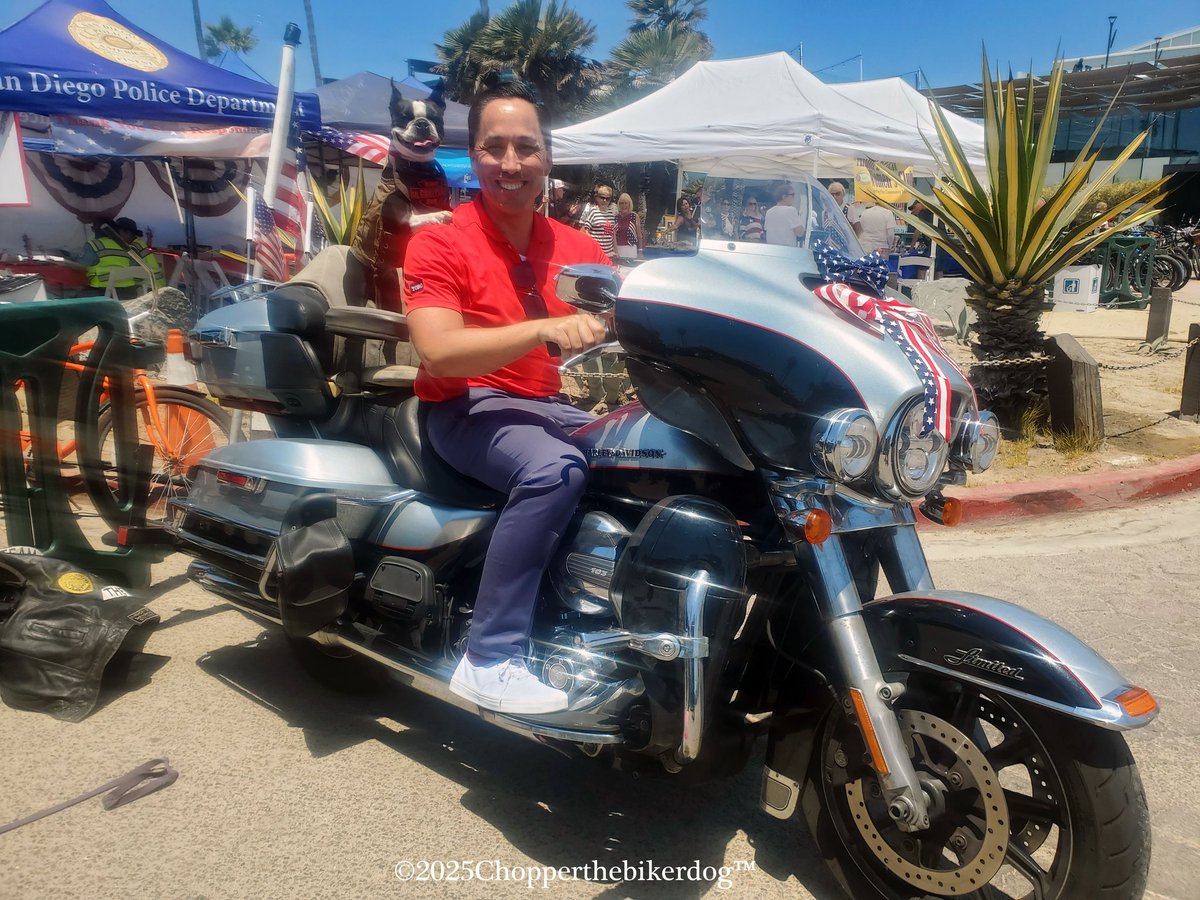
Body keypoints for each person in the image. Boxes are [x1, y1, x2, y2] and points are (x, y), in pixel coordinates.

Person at [402, 80, 611, 715]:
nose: (511, 162)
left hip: (555, 407)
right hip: (466, 406)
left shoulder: (580, 249)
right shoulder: (439, 241)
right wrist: (541, 330)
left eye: (526, 147)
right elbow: (439, 351)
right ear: (474, 156)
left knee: (662, 456)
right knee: (555, 469)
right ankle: (489, 658)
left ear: (548, 157)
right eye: (494, 147)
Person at [77, 217, 163, 300]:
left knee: (77, 295)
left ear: (128, 233)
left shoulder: (132, 247)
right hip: (132, 290)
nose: (117, 235)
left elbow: (81, 265)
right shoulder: (129, 246)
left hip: (150, 287)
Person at [578, 183, 618, 262]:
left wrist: (616, 251)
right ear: (598, 198)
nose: (604, 200)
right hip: (597, 254)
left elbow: (612, 234)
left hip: (609, 254)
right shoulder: (593, 211)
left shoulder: (611, 213)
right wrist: (594, 244)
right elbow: (586, 230)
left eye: (607, 198)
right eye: (602, 197)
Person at [763, 182, 805, 246]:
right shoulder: (791, 210)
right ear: (784, 197)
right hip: (787, 249)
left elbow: (767, 230)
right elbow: (799, 233)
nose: (794, 198)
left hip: (772, 249)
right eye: (792, 195)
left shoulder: (769, 212)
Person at [614, 192, 644, 261]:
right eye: (621, 203)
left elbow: (639, 235)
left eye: (626, 203)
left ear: (629, 204)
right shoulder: (615, 217)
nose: (623, 205)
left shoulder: (634, 216)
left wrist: (640, 250)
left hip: (630, 249)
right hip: (617, 249)